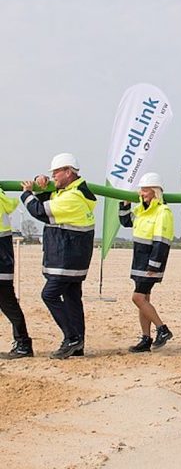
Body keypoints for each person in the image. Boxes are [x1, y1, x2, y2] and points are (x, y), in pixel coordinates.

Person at [21, 153, 96, 359]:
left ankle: (71, 337)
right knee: (72, 298)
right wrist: (40, 181)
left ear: (68, 172)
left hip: (67, 258)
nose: (53, 176)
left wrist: (27, 194)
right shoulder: (70, 192)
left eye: (55, 172)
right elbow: (52, 201)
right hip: (73, 258)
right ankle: (78, 345)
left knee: (49, 295)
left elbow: (41, 212)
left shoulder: (73, 197)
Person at [118, 172, 174, 353]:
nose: (141, 193)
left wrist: (154, 265)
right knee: (145, 300)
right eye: (140, 190)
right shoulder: (141, 210)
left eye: (144, 190)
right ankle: (146, 339)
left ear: (155, 192)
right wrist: (125, 204)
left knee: (138, 298)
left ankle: (162, 329)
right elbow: (126, 221)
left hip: (151, 264)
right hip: (139, 262)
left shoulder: (163, 212)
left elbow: (162, 241)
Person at [0, 186, 33, 358]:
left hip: (1, 262)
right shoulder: (2, 199)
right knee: (8, 304)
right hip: (4, 260)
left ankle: (23, 343)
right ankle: (22, 343)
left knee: (8, 304)